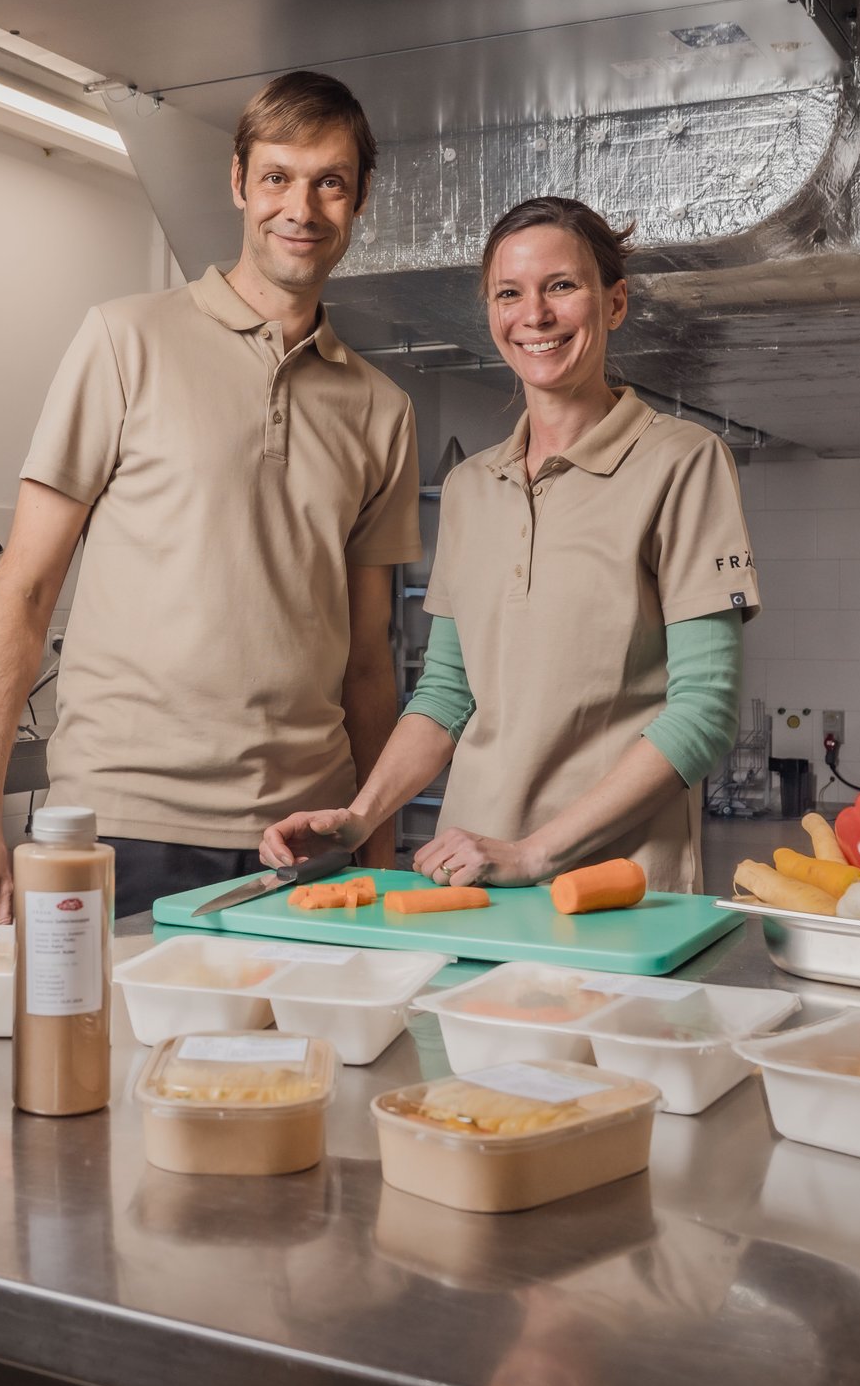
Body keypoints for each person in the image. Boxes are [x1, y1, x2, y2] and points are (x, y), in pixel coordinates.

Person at [0, 70, 421, 919]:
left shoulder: (382, 411)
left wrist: (376, 842)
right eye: (278, 176)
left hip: (303, 839)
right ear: (239, 182)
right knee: (106, 1056)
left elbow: (367, 658)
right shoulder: (123, 340)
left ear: (359, 201)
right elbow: (22, 589)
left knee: (302, 1060)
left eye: (330, 182)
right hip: (118, 824)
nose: (302, 208)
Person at [261, 196, 754, 894]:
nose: (536, 315)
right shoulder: (469, 488)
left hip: (615, 893)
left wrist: (535, 854)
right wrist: (356, 818)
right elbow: (446, 694)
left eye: (562, 286)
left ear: (613, 303)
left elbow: (704, 711)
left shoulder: (682, 463)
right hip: (468, 885)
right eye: (509, 293)